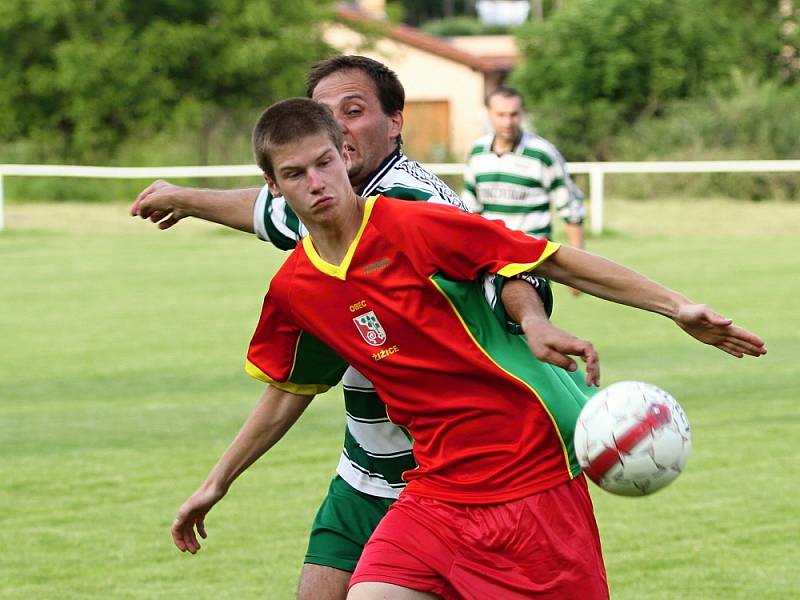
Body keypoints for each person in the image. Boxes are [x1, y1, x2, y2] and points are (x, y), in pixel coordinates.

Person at [221, 97, 764, 599]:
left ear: (345, 154)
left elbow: (544, 259)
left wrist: (677, 306)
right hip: (435, 489)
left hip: (530, 472)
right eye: (295, 173)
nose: (316, 183)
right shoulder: (295, 289)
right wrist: (215, 483)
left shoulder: (415, 224)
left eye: (323, 163)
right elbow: (287, 388)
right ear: (272, 184)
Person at [136, 56, 594, 600]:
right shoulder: (332, 199)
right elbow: (275, 212)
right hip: (366, 465)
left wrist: (534, 319)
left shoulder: (410, 204)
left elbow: (506, 267)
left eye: (352, 112)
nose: (335, 129)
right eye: (323, 116)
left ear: (395, 121)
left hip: (448, 473)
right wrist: (183, 198)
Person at [463, 86, 586, 295]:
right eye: (501, 115)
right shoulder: (477, 153)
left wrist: (578, 271)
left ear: (522, 114)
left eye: (513, 115)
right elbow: (469, 211)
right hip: (490, 260)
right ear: (488, 114)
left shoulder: (542, 153)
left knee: (527, 322)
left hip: (532, 260)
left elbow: (570, 207)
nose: (507, 122)